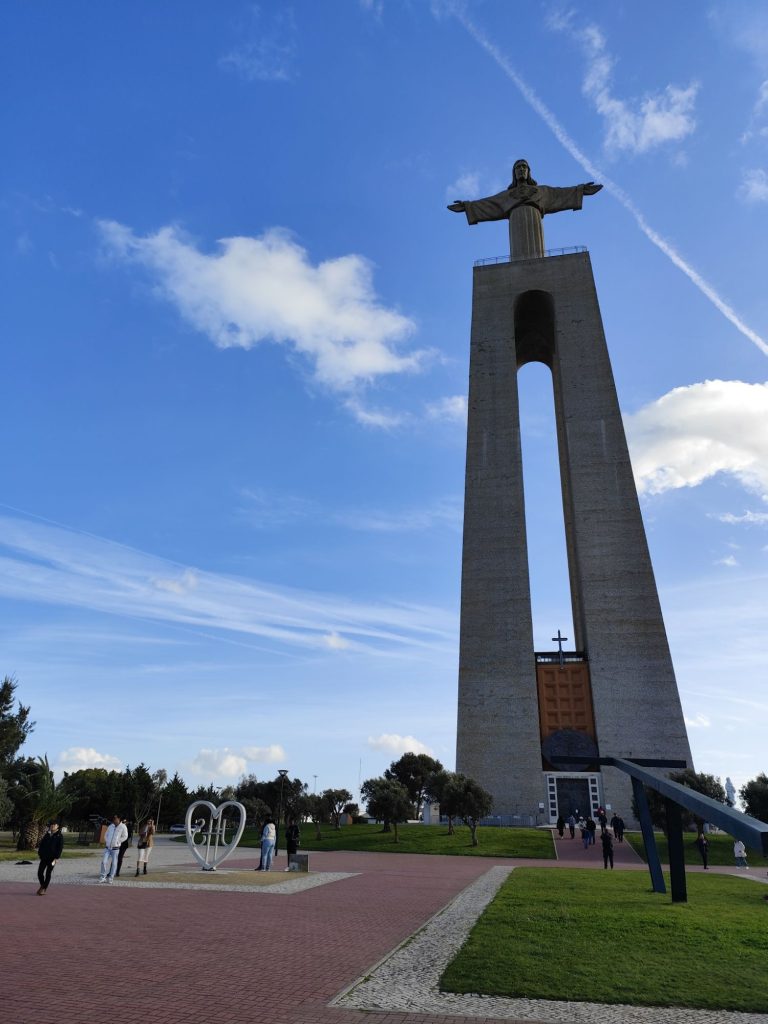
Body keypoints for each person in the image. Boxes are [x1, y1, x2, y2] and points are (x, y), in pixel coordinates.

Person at [448, 158, 603, 258]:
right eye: (518, 168)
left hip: (534, 218)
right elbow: (488, 204)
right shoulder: (506, 196)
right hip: (515, 221)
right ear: (514, 173)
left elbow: (560, 194)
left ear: (528, 172)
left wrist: (580, 191)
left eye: (524, 167)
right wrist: (467, 206)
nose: (521, 169)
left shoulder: (542, 191)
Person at [99, 814, 128, 884]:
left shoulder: (123, 827)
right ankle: (103, 877)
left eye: (115, 819)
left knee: (114, 863)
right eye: (113, 819)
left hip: (115, 848)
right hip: (107, 848)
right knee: (104, 862)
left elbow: (125, 836)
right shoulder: (111, 826)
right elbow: (106, 834)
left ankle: (111, 878)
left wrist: (118, 841)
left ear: (119, 819)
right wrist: (107, 841)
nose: (114, 820)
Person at [37, 820, 64, 895]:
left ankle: (43, 889)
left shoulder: (59, 836)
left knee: (48, 873)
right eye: (51, 825)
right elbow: (42, 845)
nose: (52, 826)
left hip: (52, 858)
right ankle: (43, 886)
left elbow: (60, 848)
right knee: (40, 873)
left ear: (57, 826)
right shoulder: (47, 834)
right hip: (44, 857)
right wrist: (40, 853)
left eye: (54, 825)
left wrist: (56, 857)